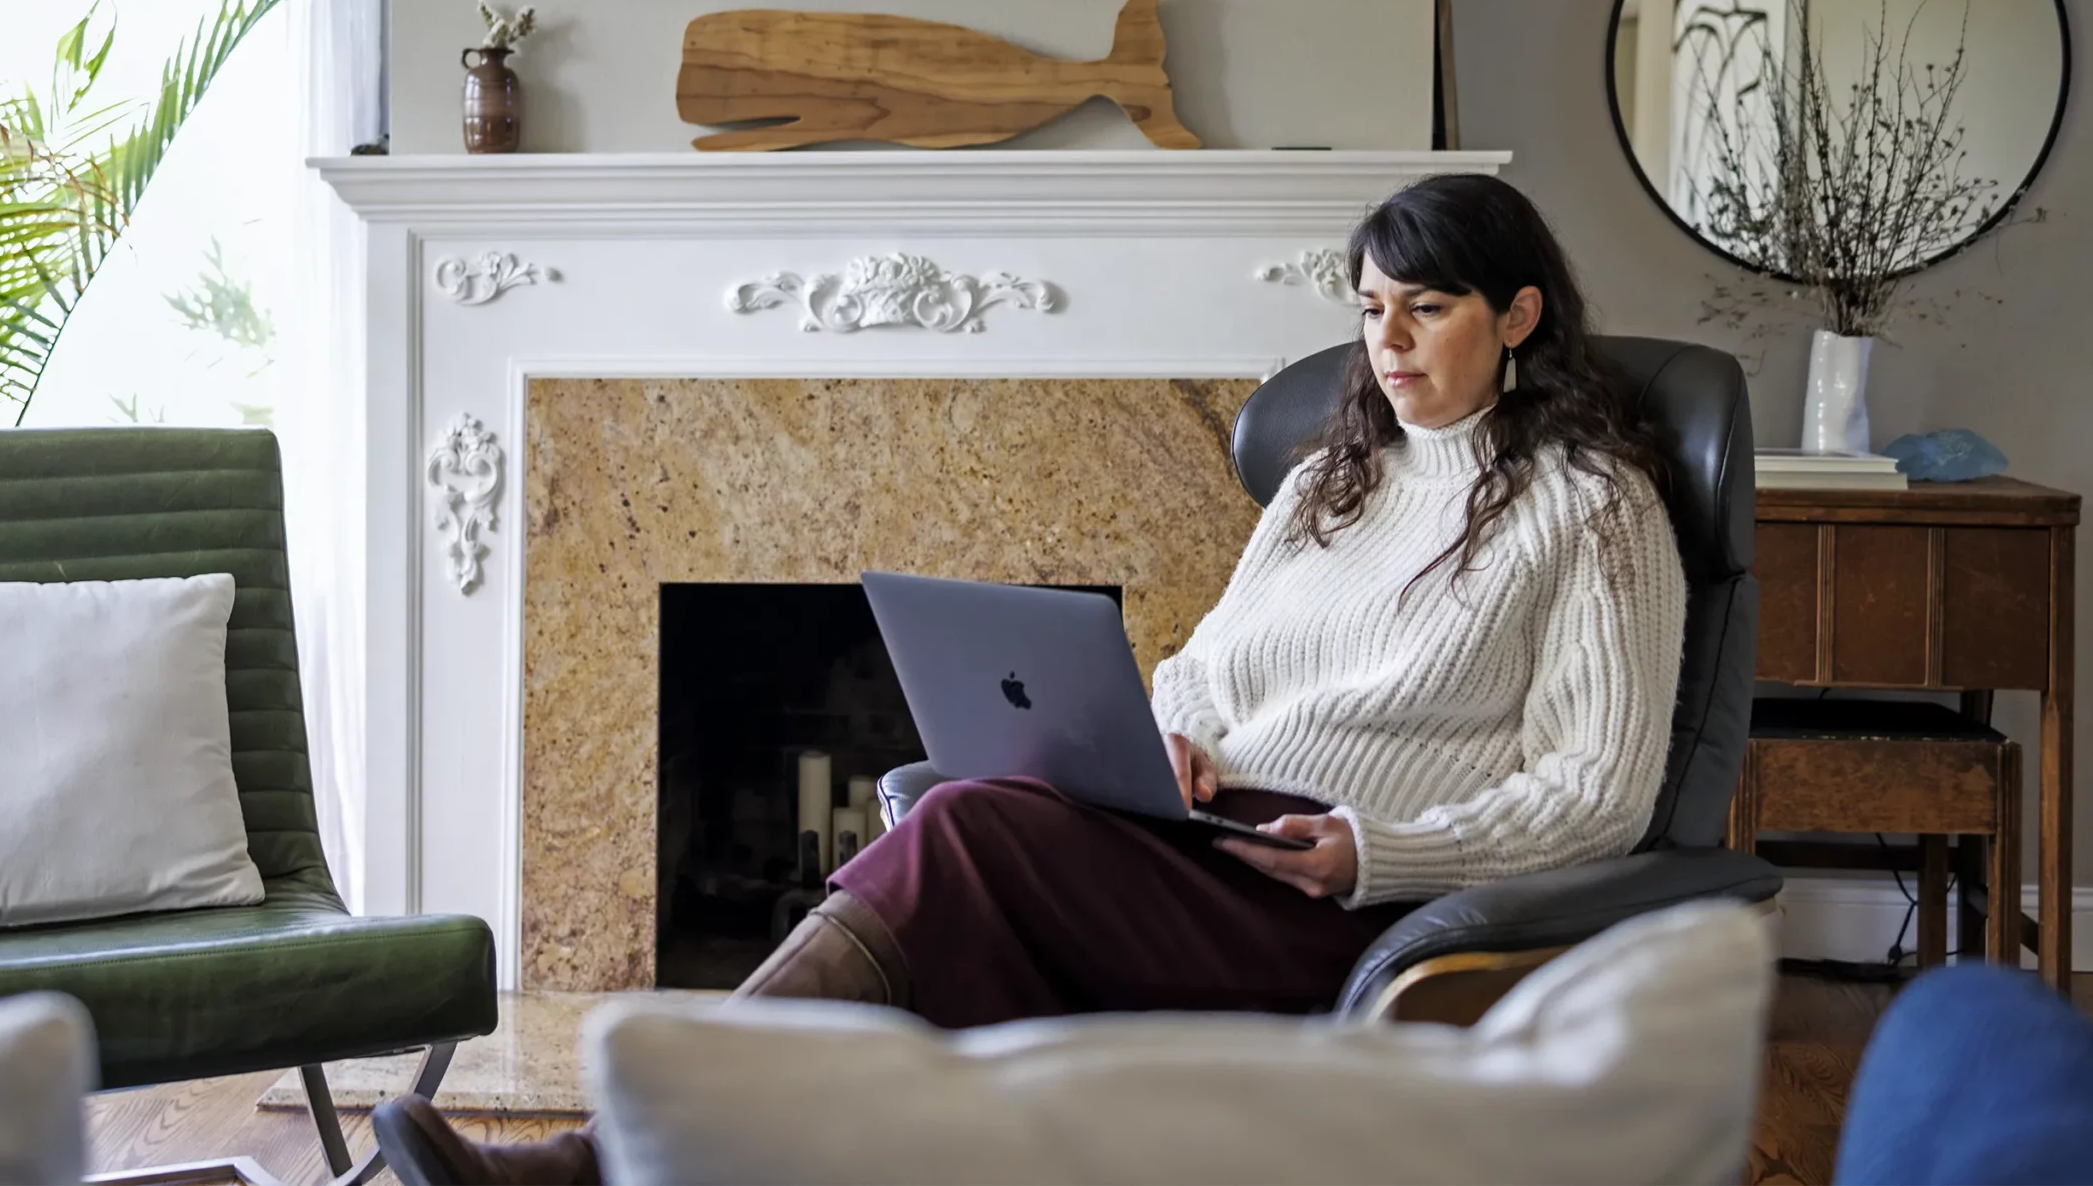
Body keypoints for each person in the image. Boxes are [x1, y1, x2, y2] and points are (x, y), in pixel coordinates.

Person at [376, 173, 1690, 1186]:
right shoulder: (1326, 481)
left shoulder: (1592, 507)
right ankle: (648, 1155)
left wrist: (1372, 848)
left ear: (1518, 315)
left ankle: (605, 1159)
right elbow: (1205, 669)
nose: (1389, 341)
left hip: (1346, 908)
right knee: (966, 828)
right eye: (1370, 308)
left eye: (1429, 306)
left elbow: (1599, 792)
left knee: (958, 829)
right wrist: (1167, 740)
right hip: (1205, 837)